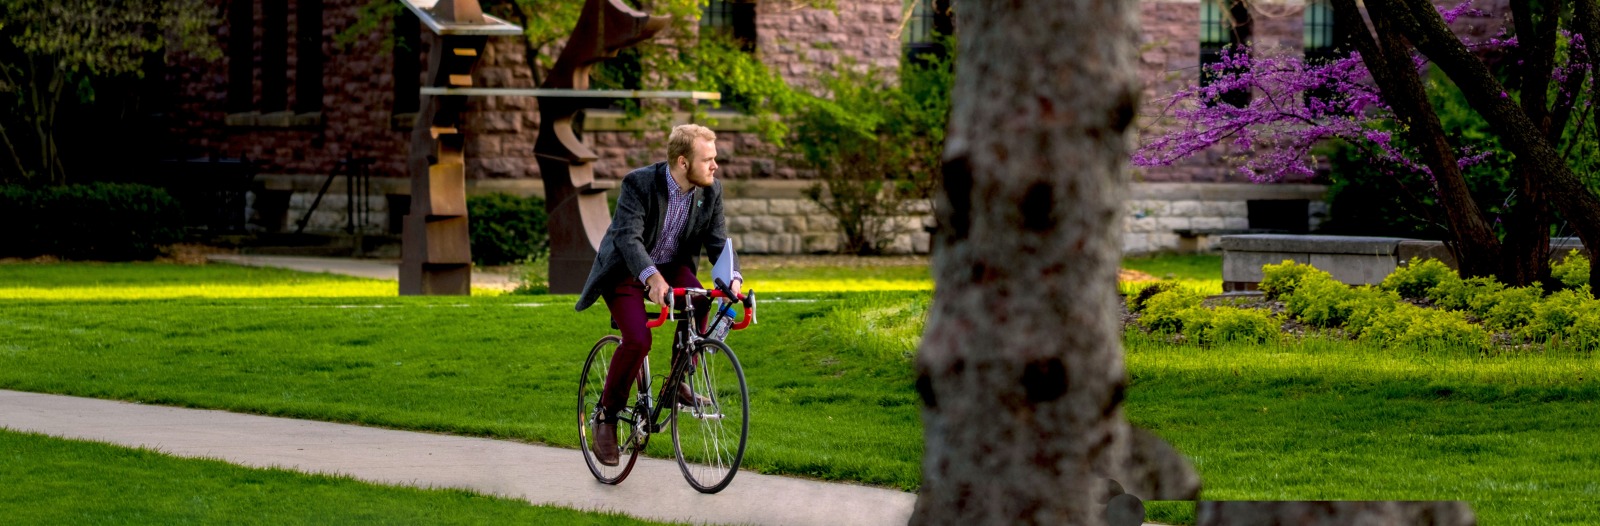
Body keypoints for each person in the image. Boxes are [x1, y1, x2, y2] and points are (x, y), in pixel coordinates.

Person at [574, 124, 742, 466]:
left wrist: (732, 279)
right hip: (625, 270)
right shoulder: (639, 184)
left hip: (671, 266)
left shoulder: (711, 191)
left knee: (701, 297)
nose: (715, 166)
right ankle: (606, 416)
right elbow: (628, 237)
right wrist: (650, 277)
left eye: (715, 158)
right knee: (637, 340)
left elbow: (717, 242)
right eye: (707, 159)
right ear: (683, 162)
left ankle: (679, 380)